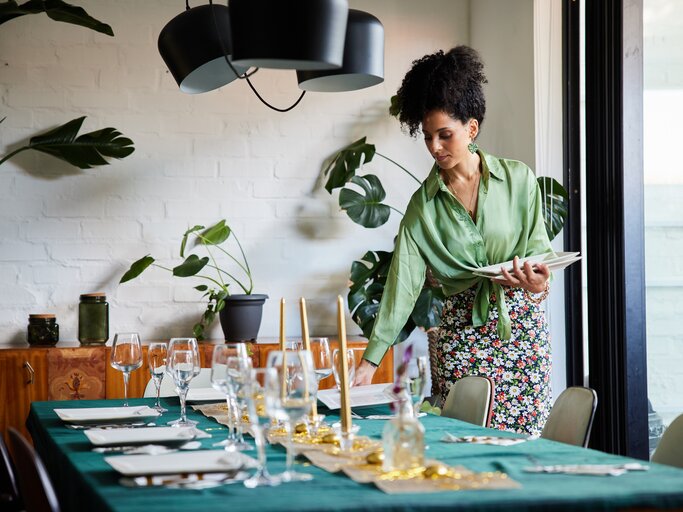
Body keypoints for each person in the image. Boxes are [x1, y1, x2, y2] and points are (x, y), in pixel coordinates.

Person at [353, 46, 553, 436]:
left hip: (522, 335)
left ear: (471, 129)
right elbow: (402, 288)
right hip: (458, 339)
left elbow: (540, 254)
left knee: (525, 450)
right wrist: (370, 361)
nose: (434, 147)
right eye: (427, 137)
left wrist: (538, 282)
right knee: (464, 448)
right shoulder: (421, 209)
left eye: (445, 135)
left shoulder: (520, 180)